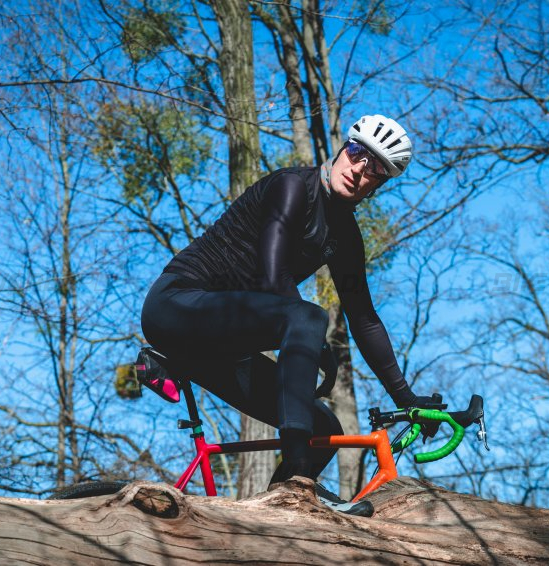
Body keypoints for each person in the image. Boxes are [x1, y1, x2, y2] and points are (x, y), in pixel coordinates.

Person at [141, 114, 436, 516]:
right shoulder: (293, 186)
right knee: (308, 317)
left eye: (375, 169)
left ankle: (277, 513)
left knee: (325, 430)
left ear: (379, 185)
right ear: (342, 148)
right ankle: (298, 478)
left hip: (223, 346)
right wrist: (314, 341)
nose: (359, 169)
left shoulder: (345, 236)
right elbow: (272, 277)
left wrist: (408, 400)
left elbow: (365, 319)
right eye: (357, 153)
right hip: (177, 304)